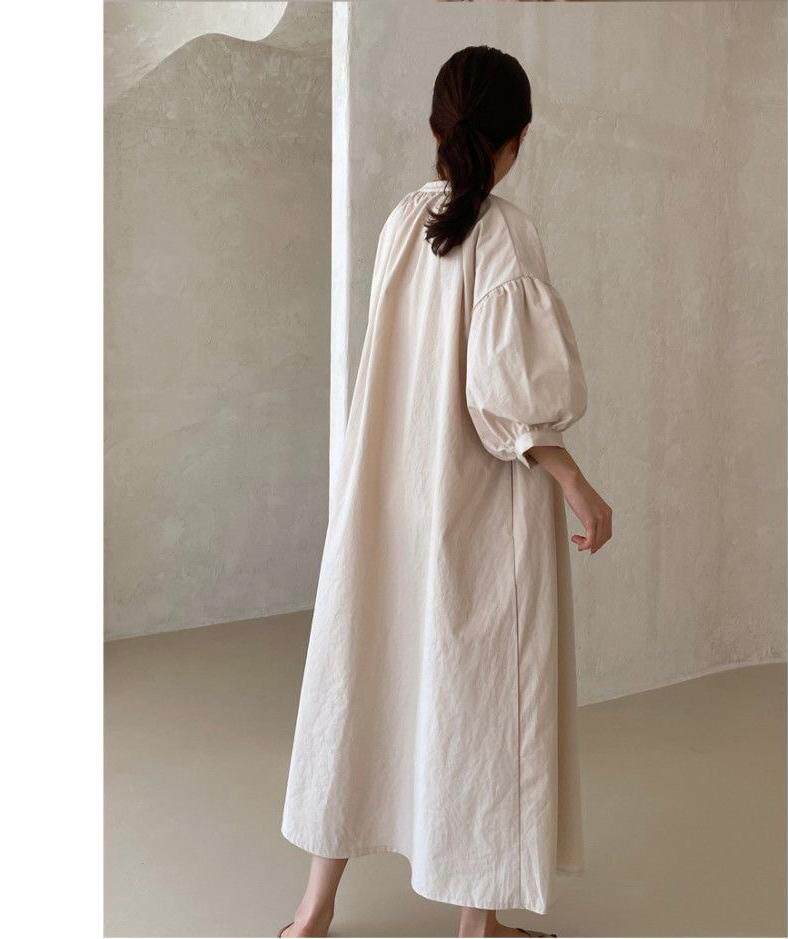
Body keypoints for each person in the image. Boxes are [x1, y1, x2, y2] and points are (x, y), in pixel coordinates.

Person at [279, 45, 612, 939]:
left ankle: (311, 913)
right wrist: (577, 484)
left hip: (390, 498)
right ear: (517, 138)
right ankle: (477, 923)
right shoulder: (504, 234)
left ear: (439, 126)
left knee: (366, 678)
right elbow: (510, 398)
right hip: (477, 508)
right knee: (486, 698)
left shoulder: (405, 221)